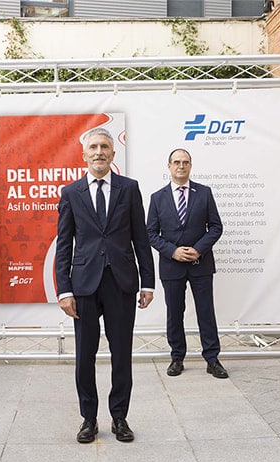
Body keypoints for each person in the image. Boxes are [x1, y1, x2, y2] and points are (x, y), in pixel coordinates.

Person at [55, 127, 155, 443]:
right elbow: (64, 244)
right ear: (84, 155)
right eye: (94, 147)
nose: (99, 152)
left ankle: (120, 418)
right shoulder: (71, 193)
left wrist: (148, 282)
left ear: (113, 154)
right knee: (85, 355)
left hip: (121, 283)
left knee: (121, 354)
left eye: (105, 147)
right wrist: (64, 289)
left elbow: (140, 237)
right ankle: (88, 419)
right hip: (84, 285)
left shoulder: (129, 189)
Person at [146, 149, 227, 378]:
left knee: (206, 312)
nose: (181, 166)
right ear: (169, 166)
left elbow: (216, 227)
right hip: (172, 266)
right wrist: (172, 251)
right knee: (175, 312)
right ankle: (177, 357)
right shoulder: (157, 197)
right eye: (177, 162)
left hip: (200, 264)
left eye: (186, 162)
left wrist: (198, 249)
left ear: (191, 166)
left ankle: (212, 359)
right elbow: (150, 233)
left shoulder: (204, 193)